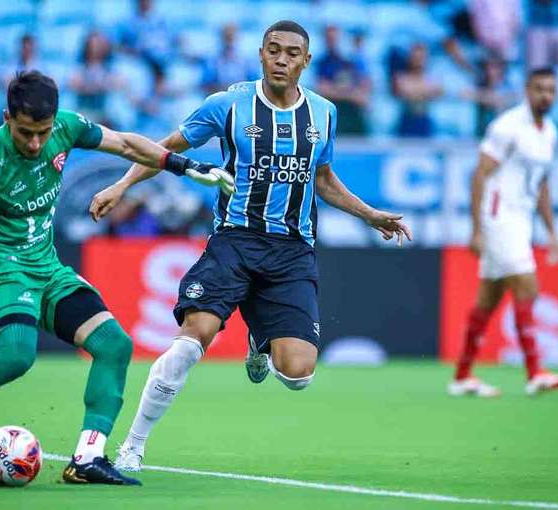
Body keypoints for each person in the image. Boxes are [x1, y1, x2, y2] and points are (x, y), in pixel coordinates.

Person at [0, 70, 233, 485]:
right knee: (17, 356)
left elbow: (127, 143)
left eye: (43, 132)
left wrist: (183, 166)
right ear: (7, 118)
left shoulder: (66, 128)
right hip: (4, 271)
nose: (36, 143)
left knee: (114, 345)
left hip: (48, 267)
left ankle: (87, 457)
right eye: (26, 132)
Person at [87, 20, 411, 472]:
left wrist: (370, 214)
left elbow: (323, 179)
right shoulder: (229, 105)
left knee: (298, 374)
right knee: (189, 341)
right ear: (261, 54)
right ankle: (133, 446)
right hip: (234, 242)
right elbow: (165, 147)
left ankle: (259, 337)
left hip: (292, 251)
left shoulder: (324, 113)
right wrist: (121, 186)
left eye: (291, 53)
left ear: (306, 61)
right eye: (273, 50)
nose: (282, 59)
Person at [449, 67, 558, 398]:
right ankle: (535, 372)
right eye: (540, 89)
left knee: (488, 298)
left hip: (522, 218)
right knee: (527, 285)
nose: (546, 95)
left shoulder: (549, 132)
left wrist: (551, 230)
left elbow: (541, 183)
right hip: (499, 217)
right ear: (527, 90)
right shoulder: (507, 127)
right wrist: (476, 229)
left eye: (551, 90)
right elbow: (479, 175)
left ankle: (462, 375)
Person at [315, 25, 370, 135]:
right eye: (329, 39)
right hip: (335, 115)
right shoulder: (324, 61)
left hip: (356, 116)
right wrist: (351, 95)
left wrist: (338, 91)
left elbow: (365, 90)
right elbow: (323, 89)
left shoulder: (357, 61)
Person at [394, 43, 442, 137]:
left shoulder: (433, 78)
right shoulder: (401, 77)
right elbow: (402, 90)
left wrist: (414, 91)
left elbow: (439, 91)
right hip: (407, 121)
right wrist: (425, 92)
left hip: (424, 121)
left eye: (421, 57)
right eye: (415, 57)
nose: (418, 61)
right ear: (410, 58)